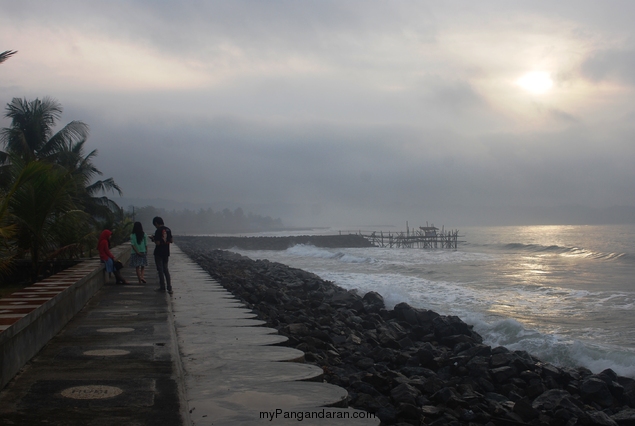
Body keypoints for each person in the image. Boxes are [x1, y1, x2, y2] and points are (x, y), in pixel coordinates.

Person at [150, 216, 173, 294]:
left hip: (159, 253)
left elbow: (158, 243)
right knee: (166, 269)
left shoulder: (158, 231)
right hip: (166, 252)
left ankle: (162, 287)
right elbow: (171, 240)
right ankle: (169, 287)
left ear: (156, 223)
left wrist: (153, 239)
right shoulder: (168, 229)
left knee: (160, 270)